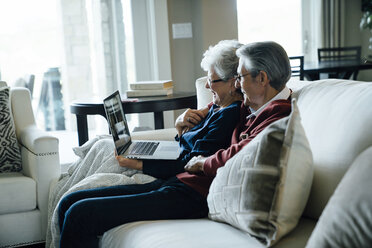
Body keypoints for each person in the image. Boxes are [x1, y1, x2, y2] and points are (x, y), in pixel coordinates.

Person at [57, 40, 244, 248]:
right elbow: (186, 147)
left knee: (80, 213)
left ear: (233, 82)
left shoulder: (230, 115)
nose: (207, 86)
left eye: (212, 81)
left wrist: (138, 164)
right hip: (174, 183)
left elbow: (191, 162)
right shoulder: (215, 107)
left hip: (189, 195)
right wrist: (180, 124)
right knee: (68, 202)